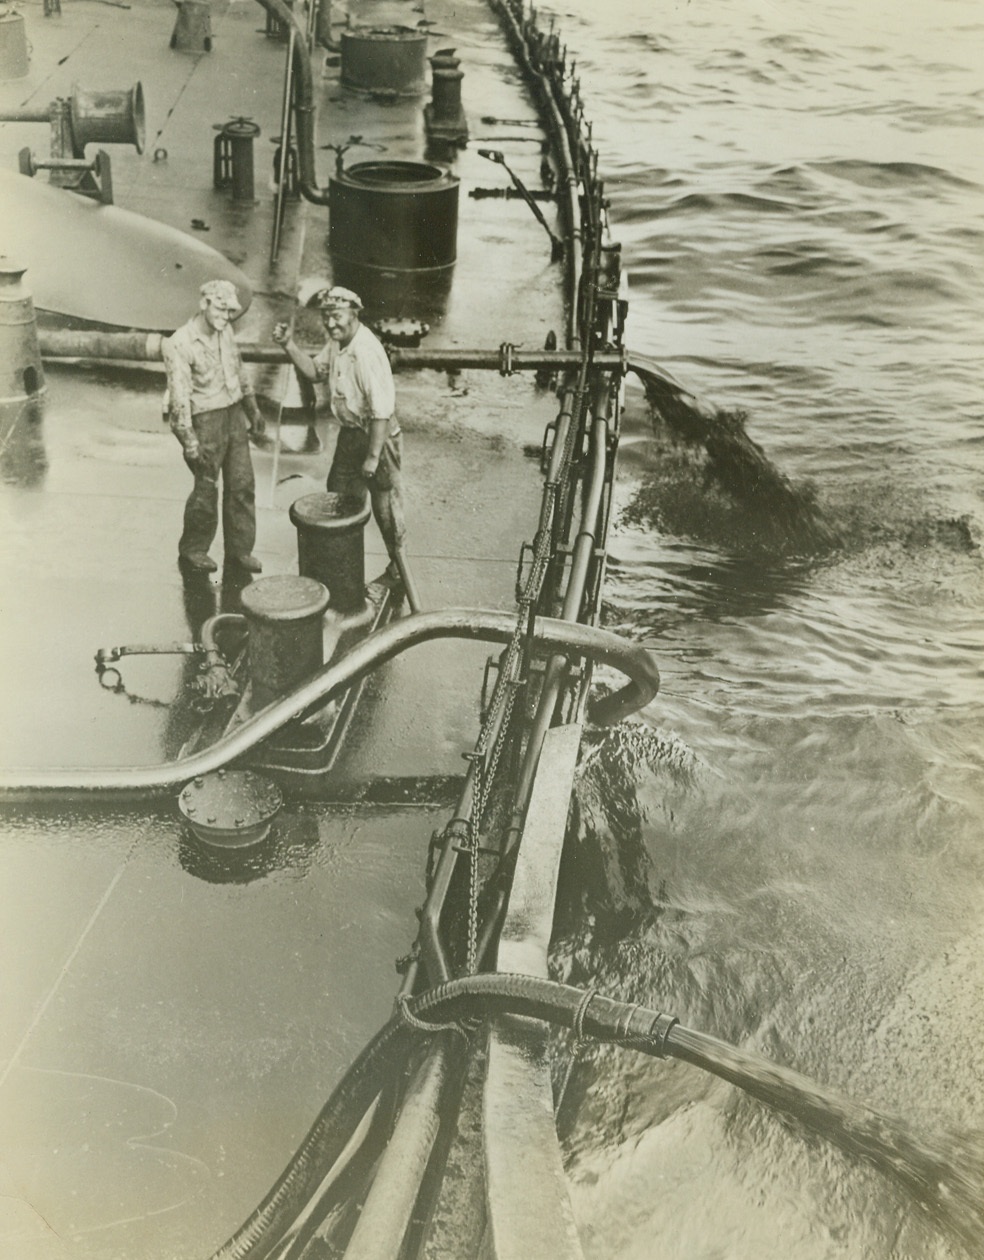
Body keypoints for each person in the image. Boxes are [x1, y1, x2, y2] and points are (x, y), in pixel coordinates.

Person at [272, 286, 406, 581]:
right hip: (351, 432)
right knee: (339, 496)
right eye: (326, 317)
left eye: (337, 316)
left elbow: (382, 411)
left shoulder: (366, 352)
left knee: (385, 505)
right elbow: (315, 372)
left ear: (354, 314)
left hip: (377, 436)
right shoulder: (337, 343)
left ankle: (399, 570)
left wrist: (372, 457)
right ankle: (342, 567)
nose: (331, 323)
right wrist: (288, 345)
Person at [163, 279, 265, 574]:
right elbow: (179, 401)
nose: (226, 316)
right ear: (204, 304)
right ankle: (193, 549)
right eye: (220, 309)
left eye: (230, 311)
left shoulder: (225, 331)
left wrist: (252, 410)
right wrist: (190, 443)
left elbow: (240, 371)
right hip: (206, 419)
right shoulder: (179, 343)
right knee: (206, 487)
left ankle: (240, 550)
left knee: (243, 484)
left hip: (233, 414)